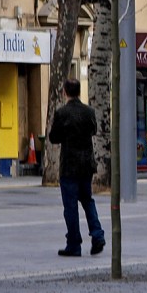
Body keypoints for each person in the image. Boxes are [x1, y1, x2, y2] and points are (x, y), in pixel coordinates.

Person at [48, 78, 106, 257]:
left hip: (69, 165)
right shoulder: (89, 111)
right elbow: (94, 130)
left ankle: (74, 243)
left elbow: (53, 137)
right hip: (86, 164)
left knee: (70, 206)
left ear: (65, 92)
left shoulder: (62, 113)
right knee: (87, 200)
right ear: (79, 91)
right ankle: (97, 235)